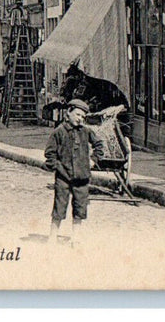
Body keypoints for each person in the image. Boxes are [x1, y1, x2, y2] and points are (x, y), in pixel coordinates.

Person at [43, 99, 105, 246]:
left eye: (83, 117)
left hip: (82, 177)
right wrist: (58, 167)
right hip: (63, 177)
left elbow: (99, 145)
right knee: (59, 206)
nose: (79, 119)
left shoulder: (86, 131)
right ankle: (53, 236)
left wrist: (93, 160)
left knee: (80, 207)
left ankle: (75, 237)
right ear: (68, 113)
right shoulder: (58, 132)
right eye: (77, 115)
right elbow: (49, 154)